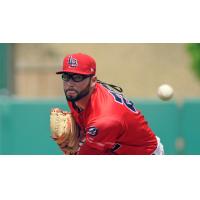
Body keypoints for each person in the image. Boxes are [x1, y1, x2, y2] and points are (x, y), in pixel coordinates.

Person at [54, 52, 164, 155]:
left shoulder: (105, 119)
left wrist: (74, 150)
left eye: (77, 77)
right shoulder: (75, 94)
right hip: (114, 144)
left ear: (93, 81)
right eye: (66, 77)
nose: (70, 83)